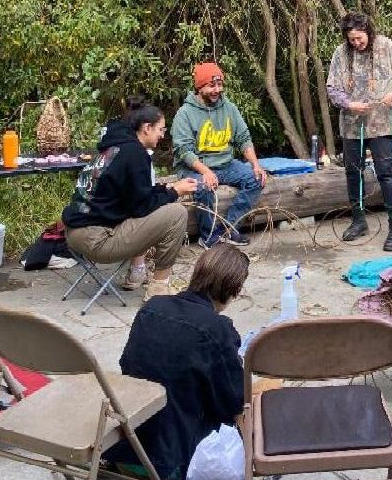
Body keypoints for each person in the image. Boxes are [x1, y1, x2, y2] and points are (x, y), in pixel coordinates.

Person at [107, 243, 248, 480]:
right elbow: (234, 402)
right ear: (233, 290)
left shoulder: (151, 307)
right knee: (248, 404)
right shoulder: (217, 329)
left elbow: (127, 365)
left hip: (125, 446)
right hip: (170, 459)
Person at [62, 97, 197, 300]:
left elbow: (135, 195)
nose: (163, 135)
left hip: (74, 235)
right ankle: (159, 288)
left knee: (164, 208)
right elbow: (141, 208)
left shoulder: (114, 148)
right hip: (97, 241)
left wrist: (167, 188)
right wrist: (175, 192)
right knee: (176, 214)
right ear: (146, 128)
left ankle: (140, 274)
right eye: (161, 129)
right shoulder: (135, 153)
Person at [326, 11, 392, 252]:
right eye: (352, 39)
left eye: (359, 38)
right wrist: (348, 103)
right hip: (351, 125)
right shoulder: (340, 54)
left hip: (381, 123)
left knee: (386, 173)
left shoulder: (386, 46)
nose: (356, 43)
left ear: (368, 31)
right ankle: (358, 221)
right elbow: (332, 88)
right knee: (353, 172)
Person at [172, 61, 267, 246]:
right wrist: (206, 172)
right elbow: (184, 151)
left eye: (220, 84)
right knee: (203, 187)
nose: (217, 90)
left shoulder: (229, 108)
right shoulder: (184, 114)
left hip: (225, 164)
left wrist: (256, 165)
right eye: (211, 85)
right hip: (195, 168)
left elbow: (244, 138)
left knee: (256, 179)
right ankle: (208, 237)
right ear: (199, 87)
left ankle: (228, 229)